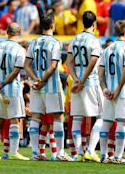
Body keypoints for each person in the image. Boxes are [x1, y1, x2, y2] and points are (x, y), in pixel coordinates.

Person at [24, 11, 70, 161]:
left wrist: (35, 79)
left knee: (36, 118)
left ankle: (35, 153)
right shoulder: (56, 42)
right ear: (53, 25)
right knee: (58, 117)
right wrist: (43, 80)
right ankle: (59, 152)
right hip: (51, 85)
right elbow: (53, 65)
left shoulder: (33, 42)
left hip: (36, 85)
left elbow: (27, 65)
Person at [0, 23, 29, 161]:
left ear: (7, 32)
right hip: (13, 89)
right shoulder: (20, 50)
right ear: (19, 32)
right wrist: (4, 83)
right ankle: (13, 151)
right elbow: (16, 70)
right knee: (15, 119)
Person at [66, 10, 104, 162]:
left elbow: (69, 62)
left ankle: (79, 153)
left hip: (76, 83)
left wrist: (75, 79)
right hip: (91, 82)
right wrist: (82, 80)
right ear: (94, 24)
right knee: (101, 115)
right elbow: (93, 61)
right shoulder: (94, 40)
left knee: (77, 118)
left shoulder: (75, 39)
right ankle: (90, 150)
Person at [98, 20, 125, 164]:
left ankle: (103, 155)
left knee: (106, 123)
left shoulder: (107, 49)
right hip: (122, 92)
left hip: (108, 92)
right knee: (122, 123)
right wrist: (118, 90)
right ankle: (118, 156)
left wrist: (105, 89)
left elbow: (100, 73)